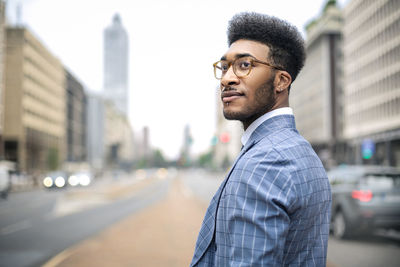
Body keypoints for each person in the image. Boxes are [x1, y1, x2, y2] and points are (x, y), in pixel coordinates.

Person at [190, 12, 331, 266]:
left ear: (281, 81)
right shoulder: (302, 151)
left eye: (245, 65)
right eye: (224, 67)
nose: (227, 78)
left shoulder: (265, 162)